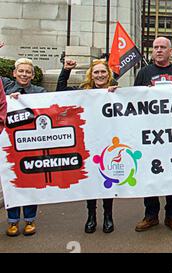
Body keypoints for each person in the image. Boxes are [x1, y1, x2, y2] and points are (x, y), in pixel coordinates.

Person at [134, 37, 172, 233]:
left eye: (163, 47)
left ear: (170, 52)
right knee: (150, 175)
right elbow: (132, 103)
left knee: (171, 175)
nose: (158, 50)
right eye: (156, 47)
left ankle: (171, 215)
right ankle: (150, 215)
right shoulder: (144, 73)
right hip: (151, 135)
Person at [56, 58, 117, 233]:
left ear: (108, 74)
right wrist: (65, 71)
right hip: (88, 143)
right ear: (91, 75)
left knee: (107, 179)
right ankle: (91, 216)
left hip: (108, 142)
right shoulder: (83, 92)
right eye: (96, 72)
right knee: (90, 180)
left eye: (103, 72)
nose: (100, 75)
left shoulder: (116, 91)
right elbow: (61, 91)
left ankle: (108, 216)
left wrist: (115, 93)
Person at [2, 58, 47, 236]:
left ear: (33, 75)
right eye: (21, 71)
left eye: (28, 72)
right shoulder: (5, 90)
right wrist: (8, 99)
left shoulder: (40, 92)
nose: (24, 74)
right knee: (11, 181)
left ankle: (30, 220)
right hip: (9, 145)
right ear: (14, 73)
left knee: (30, 181)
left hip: (31, 144)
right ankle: (12, 221)